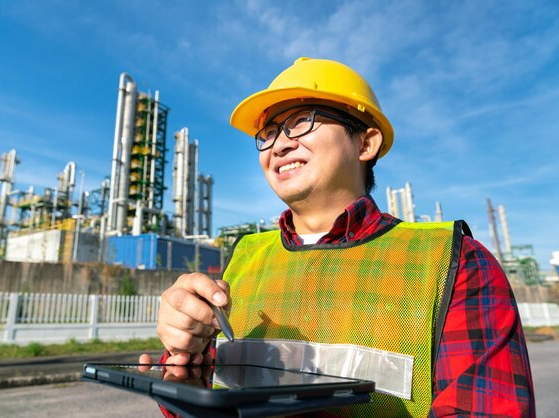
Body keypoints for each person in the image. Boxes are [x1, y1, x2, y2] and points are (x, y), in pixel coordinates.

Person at [140, 57, 535, 417]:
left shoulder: (453, 261)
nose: (279, 144)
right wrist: (184, 373)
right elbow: (210, 403)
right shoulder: (244, 259)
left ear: (366, 142)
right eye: (269, 132)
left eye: (302, 122)